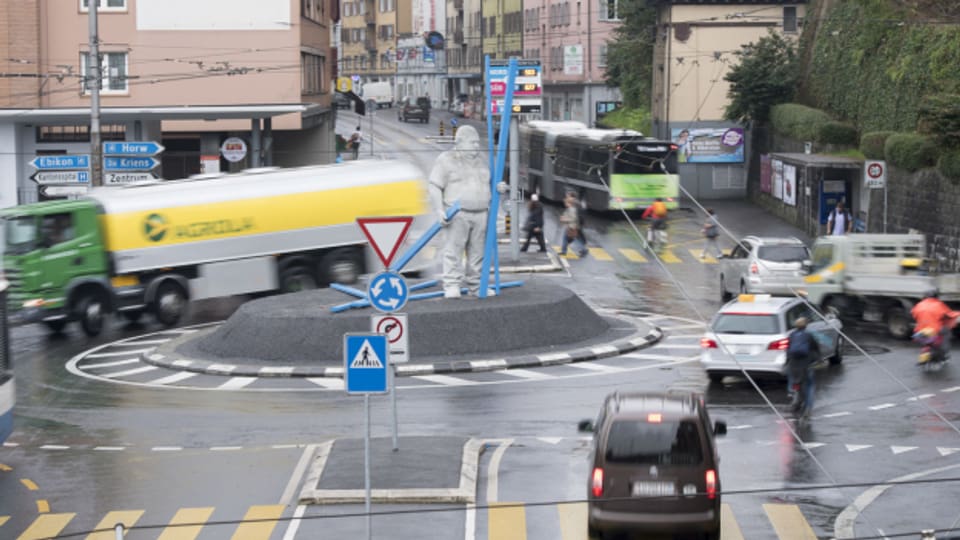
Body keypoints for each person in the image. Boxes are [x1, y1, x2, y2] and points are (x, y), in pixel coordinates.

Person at [428, 125, 491, 298]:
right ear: (460, 142)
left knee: (478, 252)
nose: (476, 146)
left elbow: (489, 184)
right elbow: (434, 186)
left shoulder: (482, 162)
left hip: (480, 212)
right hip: (457, 213)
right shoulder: (446, 159)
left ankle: (476, 285)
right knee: (453, 250)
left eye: (478, 143)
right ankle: (452, 284)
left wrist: (498, 189)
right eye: (472, 143)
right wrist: (439, 210)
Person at [911, 288, 960, 361]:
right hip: (935, 330)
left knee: (925, 340)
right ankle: (944, 353)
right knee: (946, 334)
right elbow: (949, 314)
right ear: (936, 296)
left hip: (920, 330)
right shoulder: (939, 304)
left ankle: (926, 351)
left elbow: (913, 314)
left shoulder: (919, 305)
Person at [786, 317, 821, 419]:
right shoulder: (808, 335)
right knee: (810, 385)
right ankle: (808, 407)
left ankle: (794, 399)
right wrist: (819, 359)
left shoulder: (792, 335)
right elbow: (816, 348)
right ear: (806, 325)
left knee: (794, 381)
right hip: (806, 364)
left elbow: (788, 350)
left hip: (793, 364)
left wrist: (787, 361)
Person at [559, 192, 587, 257]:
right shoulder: (573, 205)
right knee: (568, 238)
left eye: (568, 196)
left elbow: (573, 217)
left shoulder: (574, 206)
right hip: (573, 225)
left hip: (573, 226)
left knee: (573, 238)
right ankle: (564, 251)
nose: (567, 198)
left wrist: (564, 219)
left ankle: (583, 249)